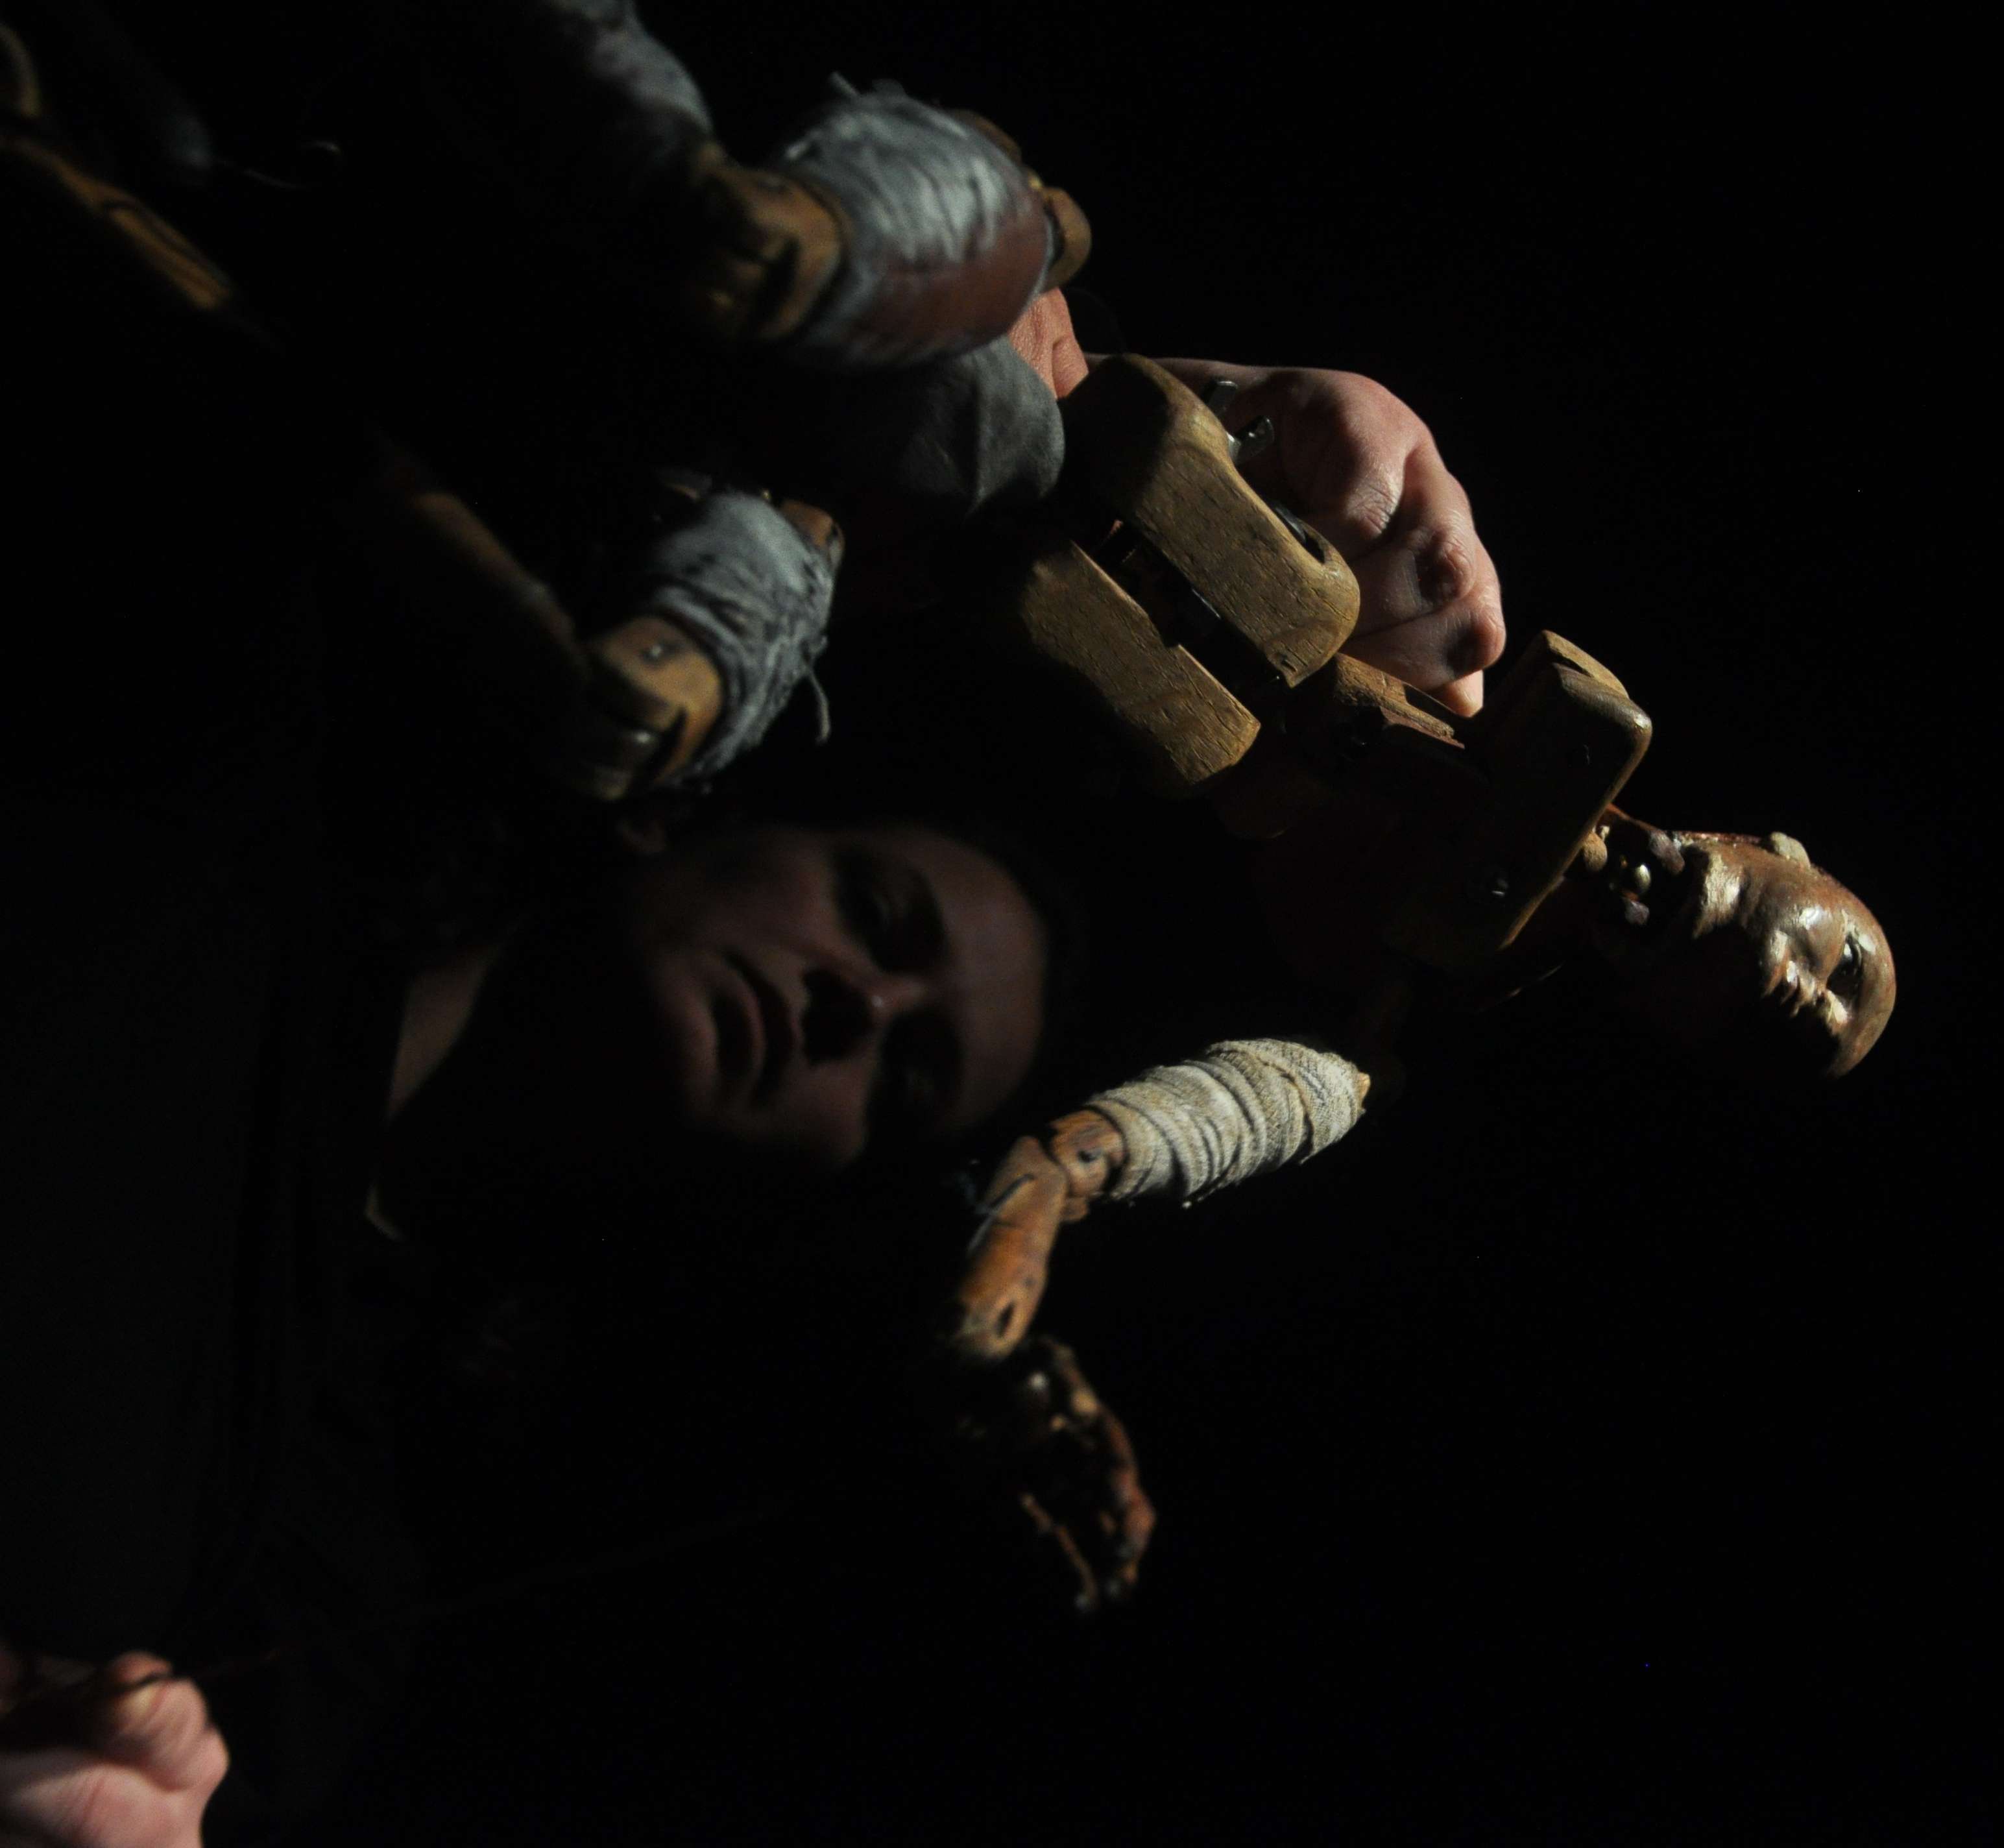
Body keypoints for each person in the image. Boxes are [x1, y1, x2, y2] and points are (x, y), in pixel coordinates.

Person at [1, 8, 1515, 1840]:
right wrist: (1150, 416)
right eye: (880, 918)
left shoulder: (322, 1542)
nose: (852, 1006)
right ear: (703, 824)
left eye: (909, 1072)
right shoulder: (244, 719)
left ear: (824, 1174)